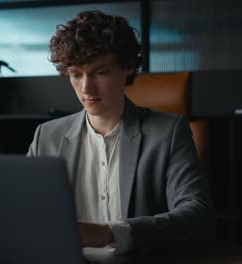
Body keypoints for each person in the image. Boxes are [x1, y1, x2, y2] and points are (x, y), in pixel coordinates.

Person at [27, 10, 215, 253]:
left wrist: (109, 233)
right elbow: (24, 214)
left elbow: (199, 219)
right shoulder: (47, 137)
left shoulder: (168, 133)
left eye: (100, 72)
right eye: (76, 74)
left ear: (126, 67)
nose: (86, 88)